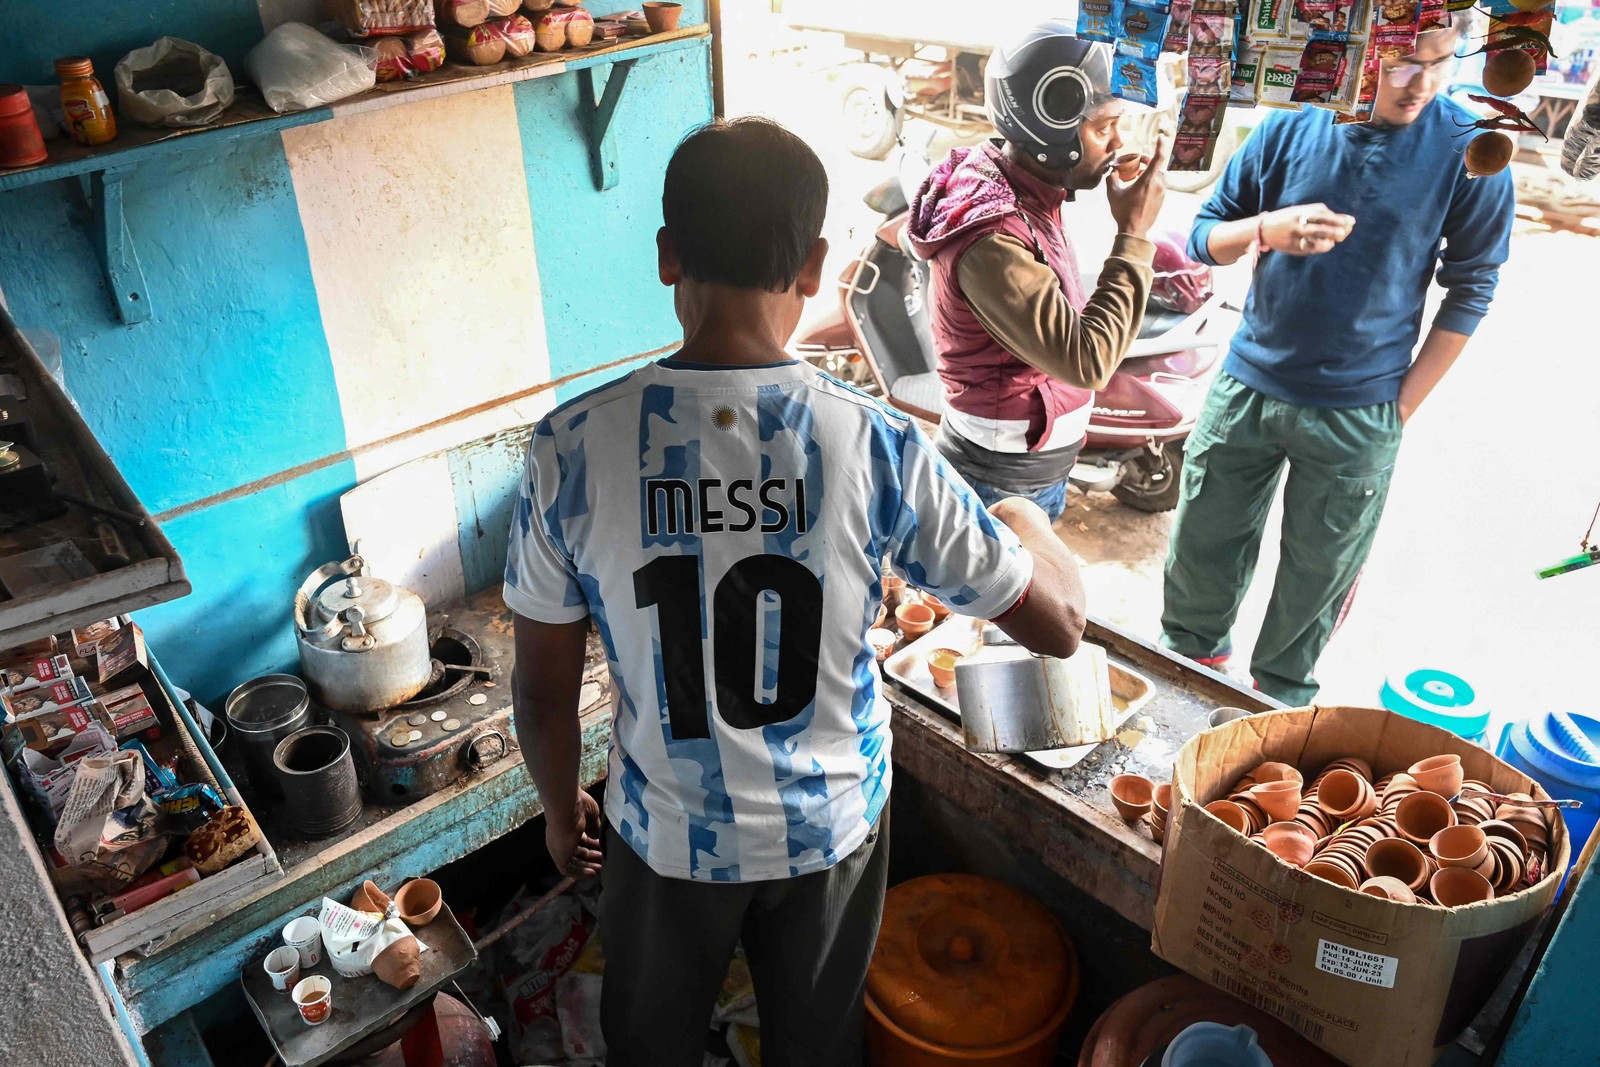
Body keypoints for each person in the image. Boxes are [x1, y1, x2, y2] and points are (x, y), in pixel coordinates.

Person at [504, 117, 1088, 1067]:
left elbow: (539, 690)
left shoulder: (572, 447)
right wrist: (1024, 521)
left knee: (648, 1044)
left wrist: (565, 816)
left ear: (666, 256)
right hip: (828, 828)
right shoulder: (878, 443)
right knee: (816, 1048)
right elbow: (1059, 625)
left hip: (665, 832)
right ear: (817, 267)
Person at [1160, 21, 1515, 705]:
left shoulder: (1469, 151)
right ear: (1359, 52)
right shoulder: (1293, 119)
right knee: (1195, 584)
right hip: (1246, 388)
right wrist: (1266, 229)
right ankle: (1182, 700)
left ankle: (1269, 729)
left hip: (1361, 413)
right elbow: (1204, 234)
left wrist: (1400, 406)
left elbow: (1473, 287)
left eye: (1440, 64)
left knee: (1306, 614)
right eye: (1403, 62)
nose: (1422, 83)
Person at [908, 20, 1170, 521]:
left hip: (1024, 467)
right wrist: (1133, 234)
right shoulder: (993, 241)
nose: (1116, 143)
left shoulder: (1020, 184)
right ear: (1051, 128)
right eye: (1102, 127)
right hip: (1001, 482)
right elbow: (1088, 361)